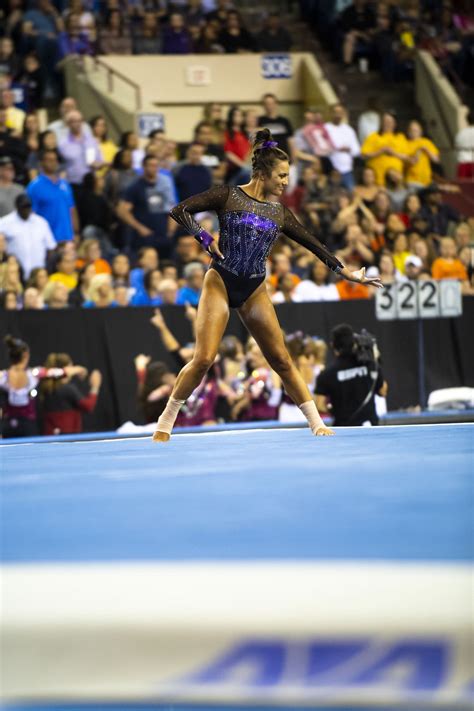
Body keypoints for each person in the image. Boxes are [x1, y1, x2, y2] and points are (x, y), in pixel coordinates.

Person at [153, 128, 382, 442]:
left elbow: (315, 245)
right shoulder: (228, 195)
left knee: (282, 360)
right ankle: (166, 420)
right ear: (262, 174)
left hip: (254, 289)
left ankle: (316, 423)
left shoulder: (280, 213)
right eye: (282, 176)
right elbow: (179, 211)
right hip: (220, 281)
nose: (286, 182)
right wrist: (205, 238)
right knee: (205, 358)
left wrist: (346, 273)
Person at [0, 335, 83, 438]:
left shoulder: (2, 376)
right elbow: (62, 372)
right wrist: (80, 369)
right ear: (26, 355)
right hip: (28, 426)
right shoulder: (34, 374)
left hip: (8, 426)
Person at [315, 324, 387, 427]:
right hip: (371, 427)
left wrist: (334, 410)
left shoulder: (327, 374)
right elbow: (382, 391)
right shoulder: (369, 364)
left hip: (344, 430)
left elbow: (319, 405)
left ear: (333, 345)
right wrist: (376, 359)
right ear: (354, 342)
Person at [117, 154, 177, 257]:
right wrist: (139, 227)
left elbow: (171, 206)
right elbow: (122, 211)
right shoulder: (135, 187)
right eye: (151, 165)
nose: (154, 168)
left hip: (163, 235)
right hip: (144, 237)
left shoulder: (163, 185)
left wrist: (171, 230)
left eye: (156, 165)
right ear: (144, 167)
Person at [39, 353, 101, 435]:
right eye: (72, 366)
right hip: (67, 436)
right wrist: (95, 386)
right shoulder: (67, 389)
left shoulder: (45, 387)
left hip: (50, 435)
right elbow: (88, 406)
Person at [27, 149, 78, 243]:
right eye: (49, 160)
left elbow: (72, 209)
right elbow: (31, 214)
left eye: (55, 160)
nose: (53, 163)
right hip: (47, 238)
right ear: (41, 163)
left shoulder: (64, 184)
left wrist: (76, 232)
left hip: (67, 237)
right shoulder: (34, 186)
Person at [0, 194, 56, 279]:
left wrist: (48, 269)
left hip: (38, 274)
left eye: (28, 206)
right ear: (17, 206)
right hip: (15, 273)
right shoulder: (4, 222)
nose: (26, 210)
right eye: (23, 207)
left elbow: (51, 247)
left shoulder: (41, 222)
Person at [324, 103, 360, 191]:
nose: (338, 115)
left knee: (351, 194)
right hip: (331, 170)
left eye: (340, 112)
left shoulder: (349, 130)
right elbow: (322, 149)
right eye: (335, 112)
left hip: (347, 170)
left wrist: (348, 149)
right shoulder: (325, 128)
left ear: (344, 114)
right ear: (330, 113)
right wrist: (337, 149)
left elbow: (357, 151)